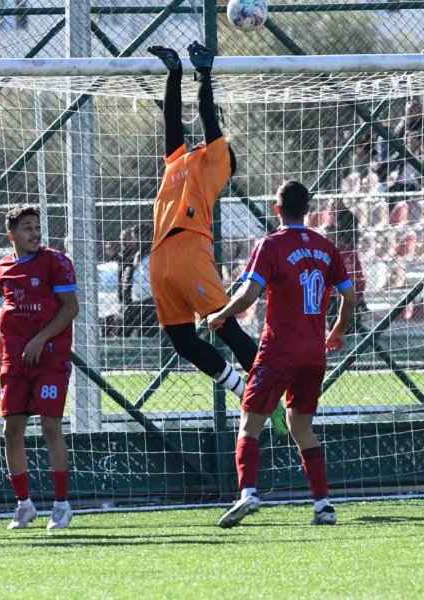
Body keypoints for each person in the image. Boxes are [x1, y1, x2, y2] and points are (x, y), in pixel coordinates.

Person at [147, 41, 287, 435]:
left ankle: (271, 393)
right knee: (183, 342)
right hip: (161, 258)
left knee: (224, 326)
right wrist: (173, 76)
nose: (205, 145)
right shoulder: (178, 163)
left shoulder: (214, 163)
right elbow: (172, 123)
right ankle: (244, 389)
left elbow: (208, 118)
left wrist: (204, 73)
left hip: (190, 248)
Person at [207, 181, 357, 528]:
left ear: (277, 209)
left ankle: (247, 493)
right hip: (313, 353)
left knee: (250, 421)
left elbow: (248, 295)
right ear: (308, 209)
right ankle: (323, 505)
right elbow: (349, 297)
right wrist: (337, 330)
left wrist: (221, 315)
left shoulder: (270, 245)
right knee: (301, 426)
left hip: (278, 350)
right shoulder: (325, 247)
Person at [0, 205, 80, 530]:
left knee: (50, 427)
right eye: (27, 228)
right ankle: (24, 505)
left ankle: (61, 505)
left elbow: (71, 308)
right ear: (11, 234)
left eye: (37, 227)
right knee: (11, 429)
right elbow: (9, 314)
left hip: (51, 358)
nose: (35, 233)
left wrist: (40, 339)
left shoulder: (56, 261)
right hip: (16, 361)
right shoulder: (2, 268)